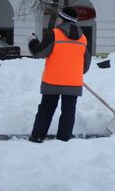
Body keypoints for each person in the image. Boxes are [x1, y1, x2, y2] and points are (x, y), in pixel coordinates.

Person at [28, 7, 91, 143]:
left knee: (46, 108)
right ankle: (63, 140)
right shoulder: (83, 38)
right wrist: (75, 72)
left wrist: (32, 41)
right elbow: (86, 64)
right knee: (68, 112)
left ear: (62, 19)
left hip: (52, 81)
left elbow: (39, 53)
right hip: (73, 82)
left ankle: (37, 137)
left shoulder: (54, 34)